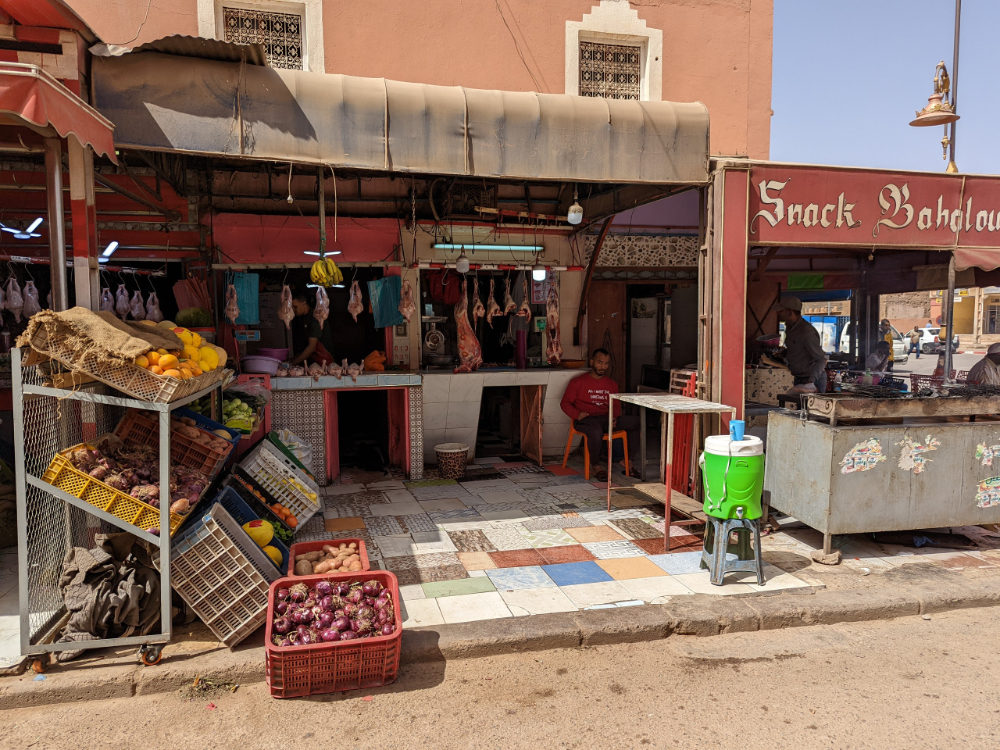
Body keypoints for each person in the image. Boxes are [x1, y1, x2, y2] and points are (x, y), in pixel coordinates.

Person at [560, 349, 641, 480]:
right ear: (592, 362)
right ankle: (596, 466)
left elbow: (615, 405)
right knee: (595, 431)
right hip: (586, 419)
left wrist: (613, 417)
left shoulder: (611, 384)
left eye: (606, 363)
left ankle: (628, 461)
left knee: (635, 422)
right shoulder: (577, 382)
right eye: (600, 362)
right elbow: (565, 403)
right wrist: (577, 414)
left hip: (605, 419)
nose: (603, 366)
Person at [773, 297, 827, 393]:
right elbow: (797, 349)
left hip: (812, 380)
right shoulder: (789, 328)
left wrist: (810, 383)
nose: (777, 313)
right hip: (798, 378)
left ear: (790, 312)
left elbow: (821, 359)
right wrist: (783, 354)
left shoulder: (807, 332)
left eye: (781, 311)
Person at [288, 291, 336, 366]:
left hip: (325, 361)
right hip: (315, 360)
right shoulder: (304, 318)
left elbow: (311, 347)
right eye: (292, 307)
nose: (293, 310)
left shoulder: (315, 318)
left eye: (295, 307)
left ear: (304, 304)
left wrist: (293, 363)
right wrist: (291, 360)